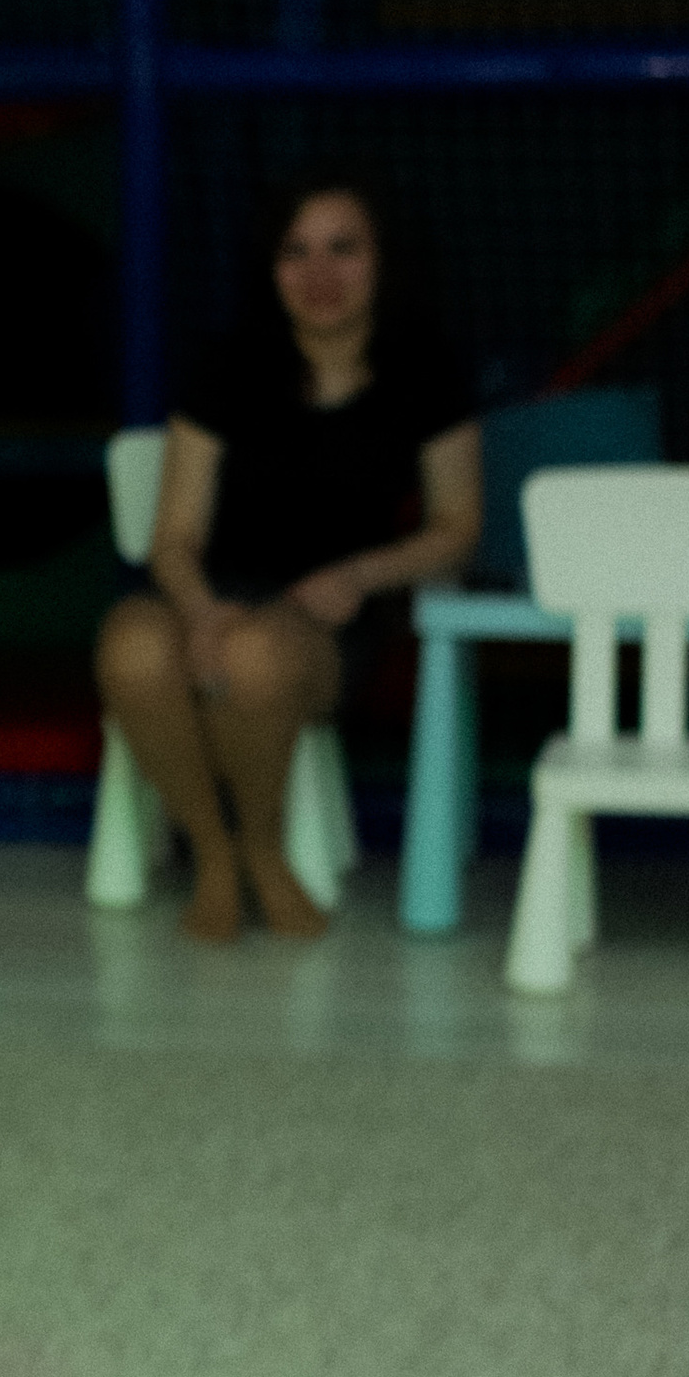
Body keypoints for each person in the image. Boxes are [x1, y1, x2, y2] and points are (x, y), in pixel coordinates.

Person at [95, 178, 481, 942]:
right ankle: (216, 855)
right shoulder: (229, 365)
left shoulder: (426, 371)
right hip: (214, 595)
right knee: (132, 645)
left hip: (332, 618)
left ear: (382, 260)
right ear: (269, 269)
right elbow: (173, 536)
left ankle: (265, 848)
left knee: (256, 656)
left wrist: (359, 575)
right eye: (295, 252)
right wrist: (200, 610)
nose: (320, 275)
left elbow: (458, 527)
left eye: (344, 249)